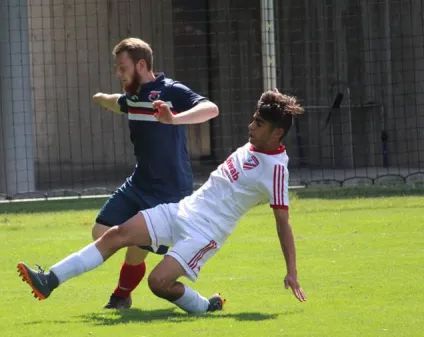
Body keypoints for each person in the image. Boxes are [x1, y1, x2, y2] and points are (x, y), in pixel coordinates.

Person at [17, 89, 308, 314]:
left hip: (204, 234)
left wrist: (292, 272)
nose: (251, 126)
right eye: (254, 119)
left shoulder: (277, 170)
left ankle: (205, 306)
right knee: (116, 234)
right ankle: (49, 280)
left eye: (259, 123)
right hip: (182, 210)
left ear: (277, 132)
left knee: (158, 284)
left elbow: (283, 224)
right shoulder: (254, 144)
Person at [87, 37, 219, 309]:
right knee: (100, 231)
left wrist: (175, 118)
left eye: (122, 67)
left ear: (141, 64)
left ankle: (121, 296)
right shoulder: (134, 94)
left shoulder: (169, 90)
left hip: (170, 191)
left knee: (135, 250)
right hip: (139, 183)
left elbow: (210, 108)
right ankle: (126, 284)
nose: (117, 73)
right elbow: (119, 103)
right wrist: (101, 99)